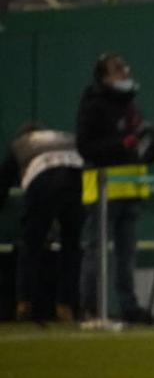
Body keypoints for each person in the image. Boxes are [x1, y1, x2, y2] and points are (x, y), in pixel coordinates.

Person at [77, 52, 154, 323]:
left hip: (130, 190)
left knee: (127, 254)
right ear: (104, 76)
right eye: (117, 68)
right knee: (96, 251)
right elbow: (85, 147)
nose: (125, 71)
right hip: (103, 192)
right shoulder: (94, 105)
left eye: (125, 66)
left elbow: (139, 151)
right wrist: (124, 142)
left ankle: (128, 307)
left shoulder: (130, 105)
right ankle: (90, 307)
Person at [0, 122, 84, 322]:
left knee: (31, 244)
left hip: (43, 180)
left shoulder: (21, 143)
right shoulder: (64, 135)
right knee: (71, 246)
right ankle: (65, 306)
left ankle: (23, 303)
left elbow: (3, 182)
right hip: (77, 178)